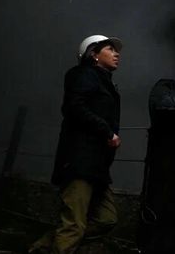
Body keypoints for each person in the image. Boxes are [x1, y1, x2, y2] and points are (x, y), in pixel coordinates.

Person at [30, 34, 123, 254]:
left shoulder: (104, 82)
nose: (116, 53)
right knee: (74, 225)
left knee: (107, 219)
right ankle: (59, 244)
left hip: (97, 167)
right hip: (80, 160)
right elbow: (73, 107)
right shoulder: (83, 74)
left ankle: (45, 244)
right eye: (109, 49)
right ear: (93, 54)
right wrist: (107, 132)